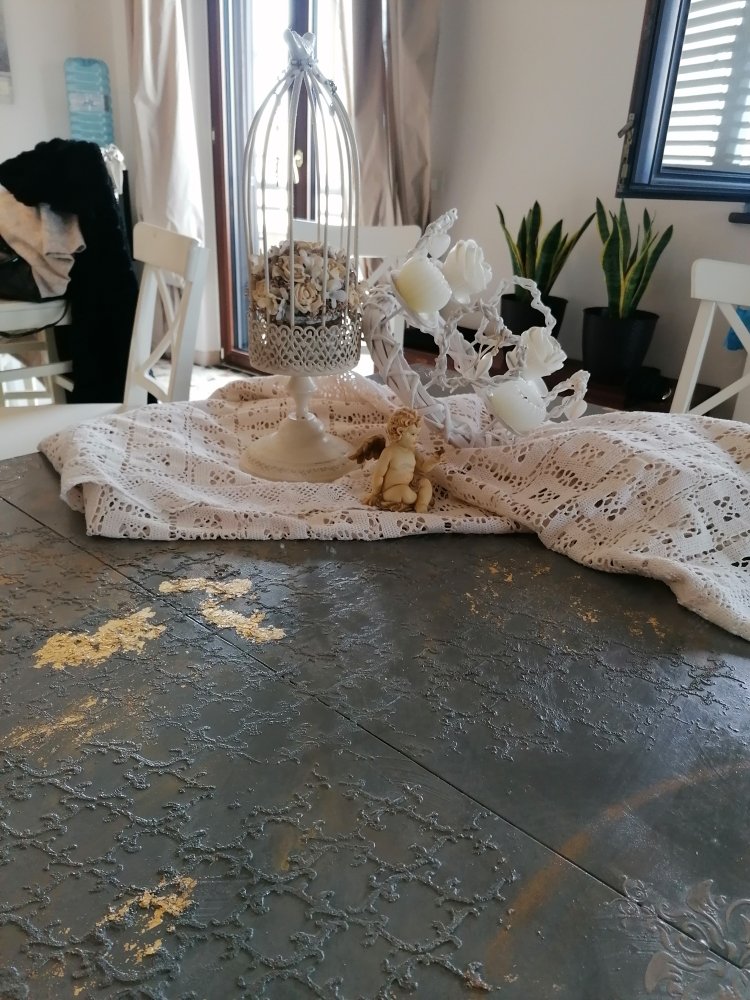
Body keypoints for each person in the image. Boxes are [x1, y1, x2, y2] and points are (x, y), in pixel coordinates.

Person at [362, 407, 442, 513]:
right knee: (404, 492)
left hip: (408, 486)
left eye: (417, 434)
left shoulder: (412, 451)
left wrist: (433, 461)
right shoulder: (389, 452)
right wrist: (375, 493)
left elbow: (423, 468)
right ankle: (413, 500)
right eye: (413, 434)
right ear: (400, 432)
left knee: (425, 483)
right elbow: (379, 475)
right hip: (391, 490)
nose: (416, 438)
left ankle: (421, 504)